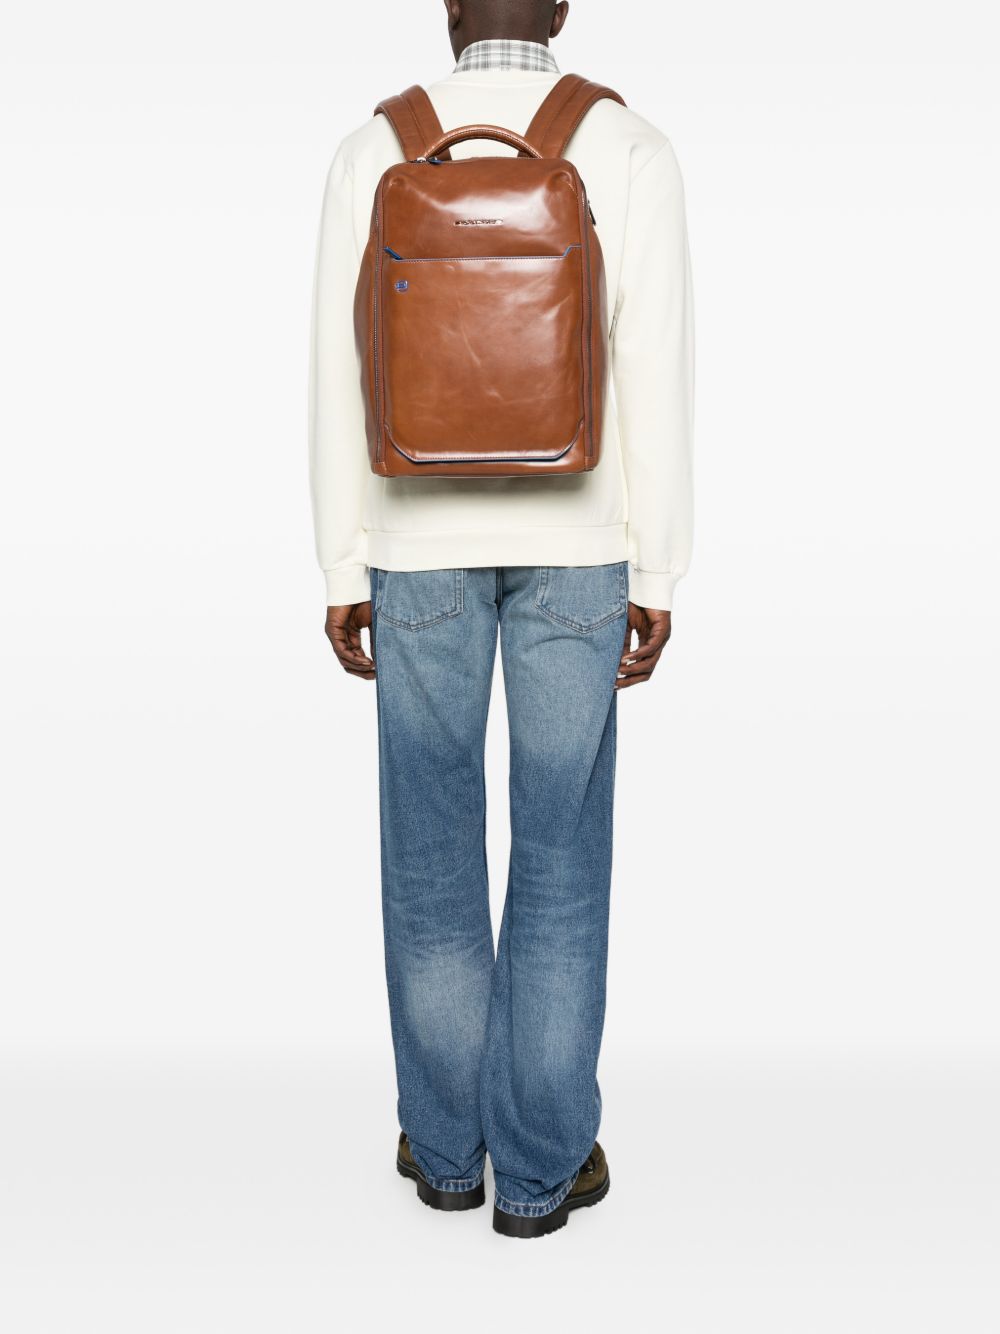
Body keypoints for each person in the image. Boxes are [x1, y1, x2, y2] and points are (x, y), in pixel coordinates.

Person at [309, 0, 693, 1239]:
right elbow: (656, 368)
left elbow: (336, 370)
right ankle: (539, 1171)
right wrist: (659, 568)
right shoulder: (627, 149)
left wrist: (342, 558)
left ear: (449, 8)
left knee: (428, 850)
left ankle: (444, 1152)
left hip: (414, 540)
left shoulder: (375, 147)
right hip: (579, 546)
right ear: (562, 7)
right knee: (561, 856)